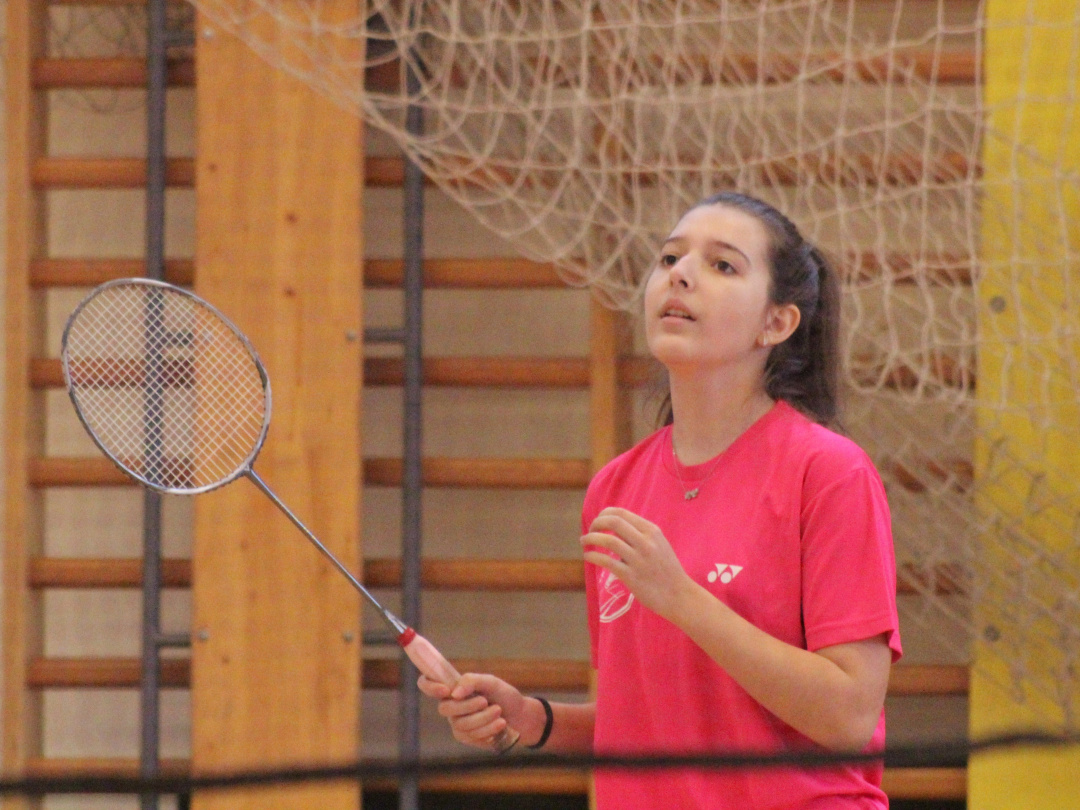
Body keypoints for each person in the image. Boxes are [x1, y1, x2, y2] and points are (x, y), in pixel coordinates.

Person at [417, 191, 902, 809]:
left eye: (722, 265)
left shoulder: (829, 473)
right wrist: (535, 719)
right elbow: (650, 721)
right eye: (670, 258)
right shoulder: (615, 489)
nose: (681, 274)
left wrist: (682, 598)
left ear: (776, 323)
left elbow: (849, 718)